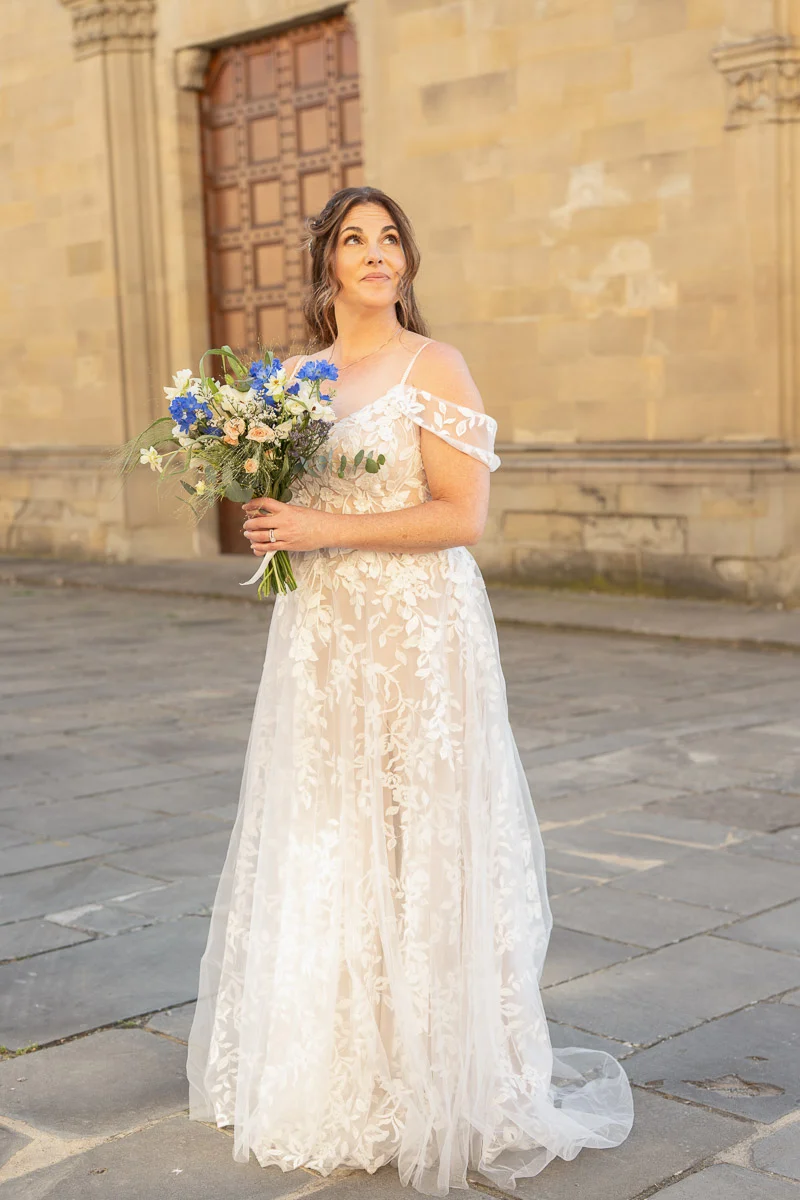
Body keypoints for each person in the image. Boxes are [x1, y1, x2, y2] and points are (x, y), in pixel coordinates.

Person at [186, 185, 634, 1196]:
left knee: (421, 834)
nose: (375, 253)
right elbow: (290, 506)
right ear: (328, 261)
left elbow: (460, 515)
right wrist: (271, 520)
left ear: (407, 262)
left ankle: (445, 1078)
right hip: (325, 638)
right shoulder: (292, 379)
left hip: (419, 634)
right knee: (335, 834)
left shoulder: (438, 367)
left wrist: (321, 531)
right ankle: (351, 1080)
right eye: (355, 239)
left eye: (390, 238)